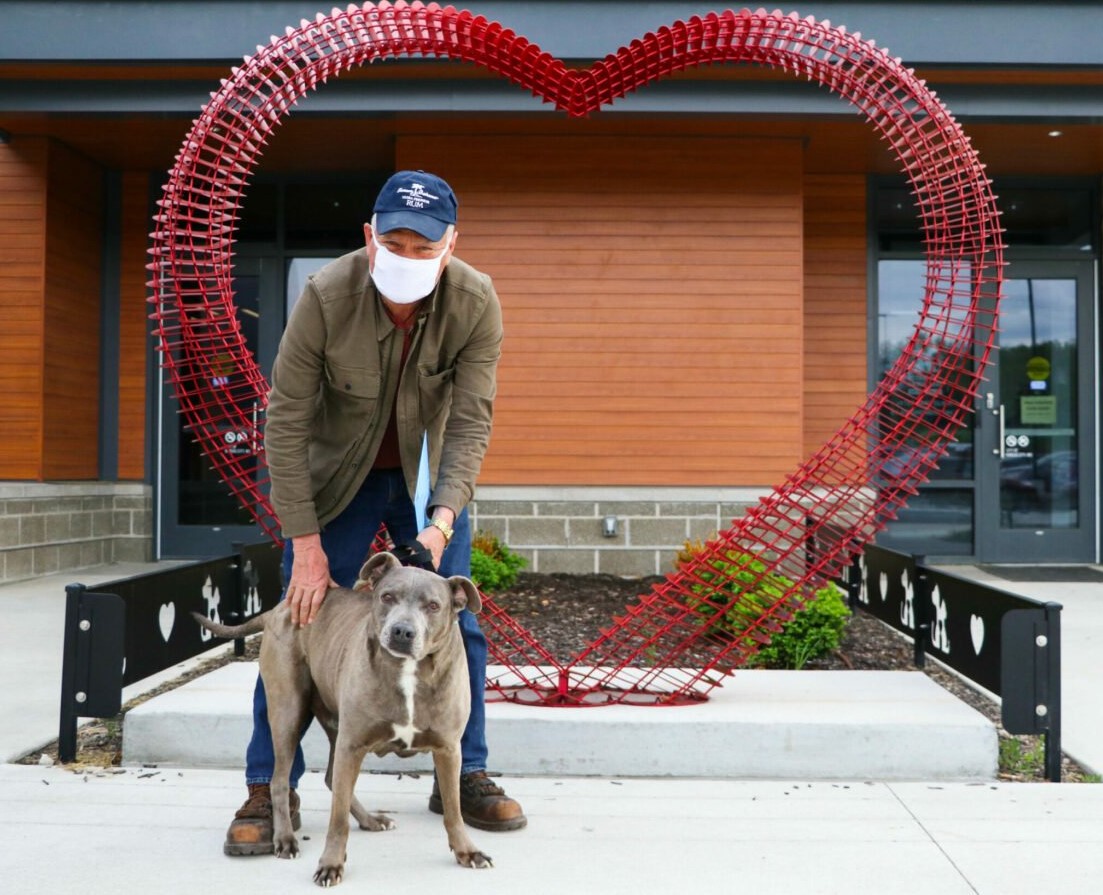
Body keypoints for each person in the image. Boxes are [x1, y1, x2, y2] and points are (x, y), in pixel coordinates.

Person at [224, 169, 526, 856]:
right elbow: (287, 421)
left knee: (458, 619)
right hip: (339, 481)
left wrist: (441, 520)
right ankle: (269, 786)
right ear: (369, 236)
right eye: (394, 241)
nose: (408, 256)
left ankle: (466, 767)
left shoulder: (476, 301)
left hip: (427, 483)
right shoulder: (326, 295)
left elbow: (472, 421)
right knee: (297, 619)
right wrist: (304, 542)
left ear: (451, 244)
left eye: (425, 246)